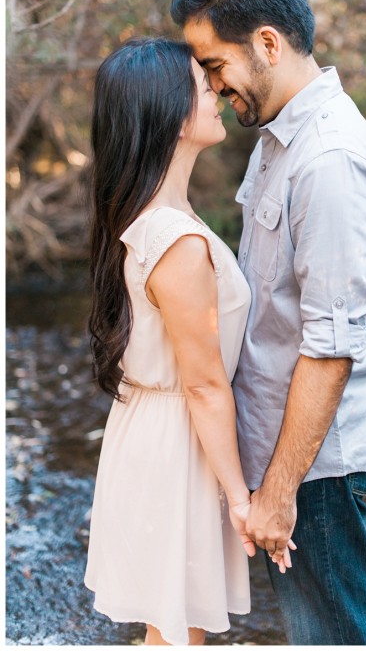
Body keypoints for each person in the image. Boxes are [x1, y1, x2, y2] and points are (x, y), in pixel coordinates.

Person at [171, 0, 366, 645]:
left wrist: (276, 495)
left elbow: (331, 347)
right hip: (289, 456)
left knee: (340, 638)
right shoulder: (278, 139)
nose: (211, 88)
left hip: (312, 468)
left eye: (214, 66)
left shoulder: (327, 159)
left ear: (266, 43)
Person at [84, 37, 292, 647]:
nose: (220, 95)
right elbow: (203, 383)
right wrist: (239, 498)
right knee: (178, 634)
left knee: (171, 628)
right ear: (171, 114)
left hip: (156, 431)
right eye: (205, 87)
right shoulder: (176, 240)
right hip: (180, 446)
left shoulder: (153, 216)